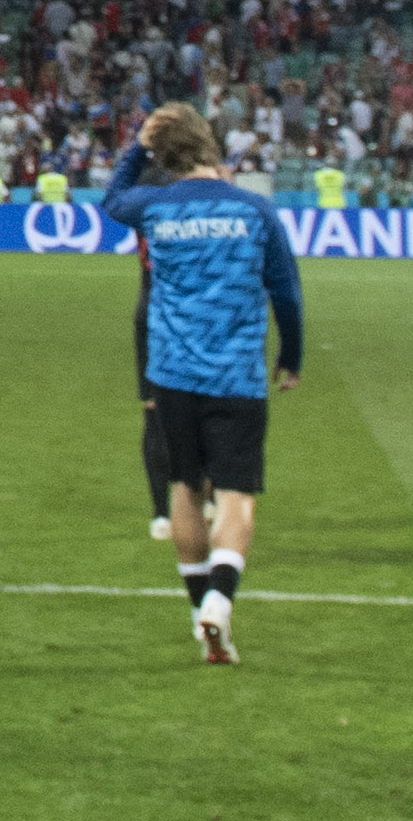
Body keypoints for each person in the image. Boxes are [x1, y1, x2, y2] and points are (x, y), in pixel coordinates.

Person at [107, 104, 299, 666]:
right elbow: (285, 291)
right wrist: (291, 355)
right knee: (236, 495)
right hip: (236, 376)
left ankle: (200, 614)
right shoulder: (255, 210)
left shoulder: (155, 207)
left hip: (172, 375)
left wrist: (139, 148)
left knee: (184, 489)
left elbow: (113, 201)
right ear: (210, 145)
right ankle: (220, 599)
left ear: (166, 155)